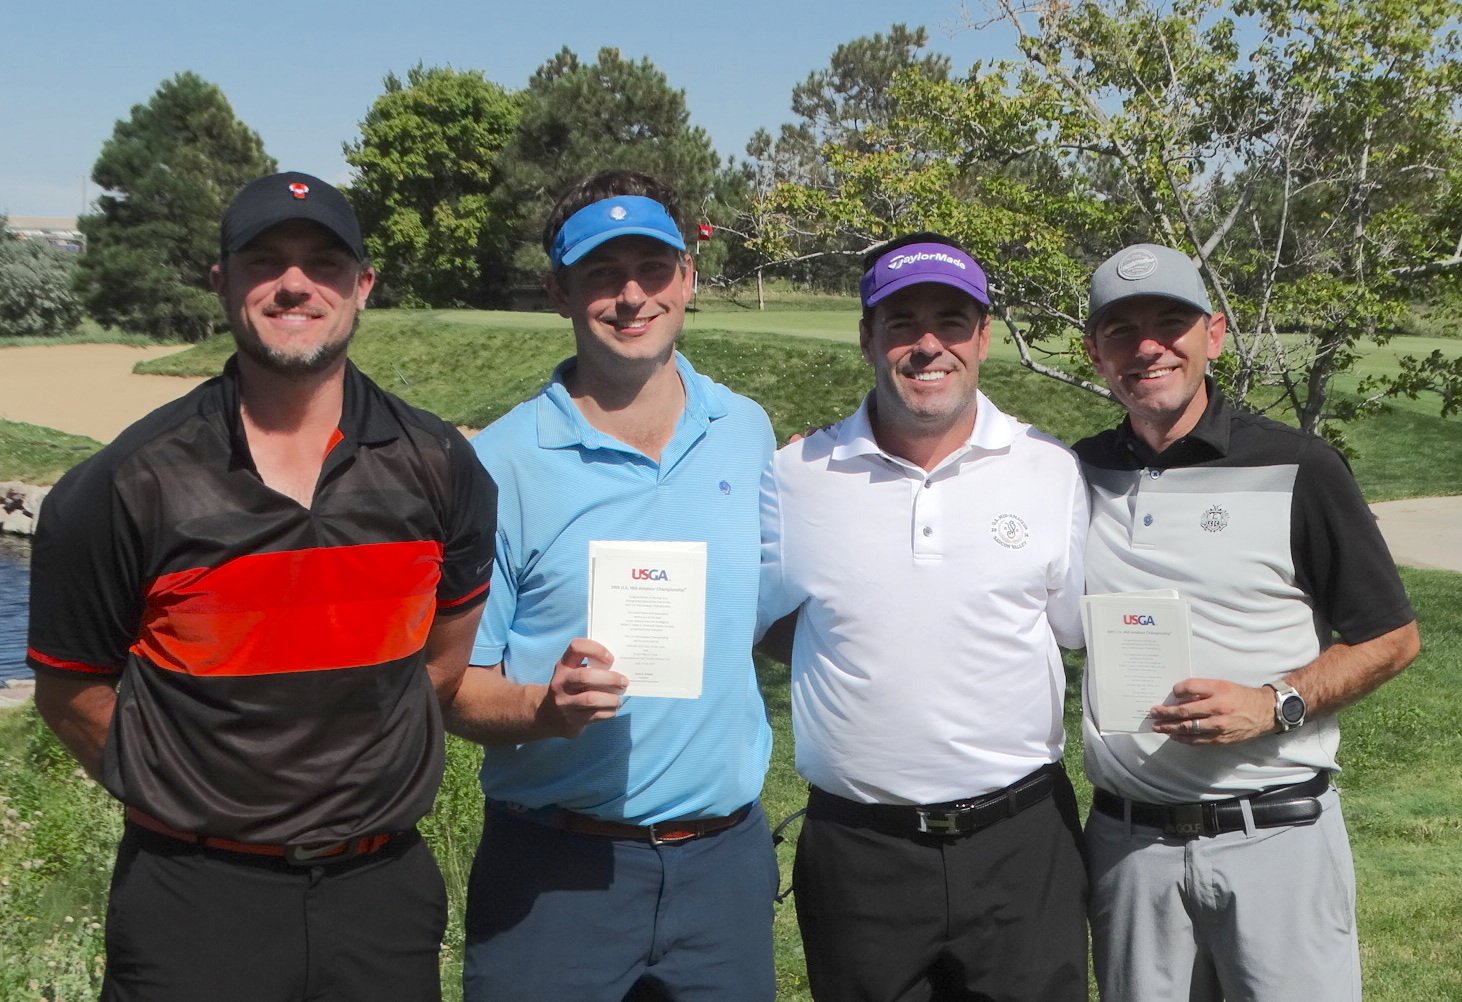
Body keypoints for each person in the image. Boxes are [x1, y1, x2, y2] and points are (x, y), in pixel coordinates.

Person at [26, 171, 497, 1002]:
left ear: (362, 285)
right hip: (192, 900)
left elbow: (440, 664)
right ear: (221, 281)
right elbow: (70, 691)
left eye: (323, 263)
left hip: (381, 894)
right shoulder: (125, 483)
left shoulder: (441, 466)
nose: (294, 283)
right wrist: (184, 789)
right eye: (265, 260)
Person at [442, 170, 778, 1001]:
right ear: (558, 290)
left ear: (687, 279)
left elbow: (770, 614)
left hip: (723, 868)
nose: (632, 296)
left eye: (653, 268)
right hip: (555, 872)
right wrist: (543, 710)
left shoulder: (745, 430)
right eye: (601, 273)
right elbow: (452, 689)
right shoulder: (498, 462)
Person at [1075, 242, 1422, 1001]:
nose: (1148, 347)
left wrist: (1274, 703)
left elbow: (1393, 637)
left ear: (1215, 335)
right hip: (1130, 850)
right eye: (1121, 330)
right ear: (1094, 351)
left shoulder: (1302, 467)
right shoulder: (1075, 474)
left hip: (1276, 837)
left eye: (1170, 324)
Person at [756, 232, 1090, 1001]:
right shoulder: (794, 475)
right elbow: (762, 620)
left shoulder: (1050, 468)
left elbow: (1071, 626)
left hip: (1021, 845)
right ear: (867, 338)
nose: (928, 345)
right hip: (859, 852)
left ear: (983, 337)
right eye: (902, 323)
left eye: (951, 322)